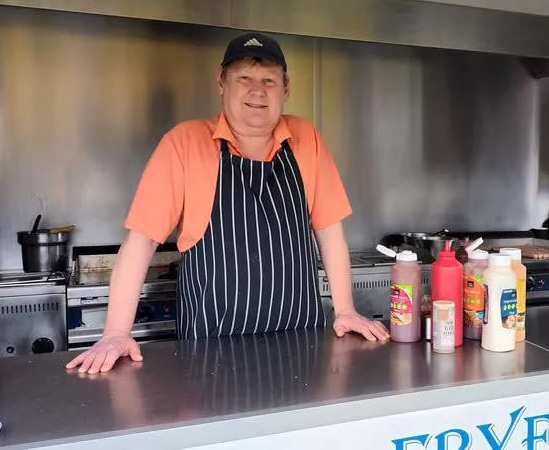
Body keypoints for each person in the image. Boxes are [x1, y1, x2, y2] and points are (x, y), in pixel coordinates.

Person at [67, 32, 389, 374]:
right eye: (244, 78)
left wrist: (345, 310)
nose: (257, 90)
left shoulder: (305, 138)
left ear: (286, 88)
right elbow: (140, 242)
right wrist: (116, 333)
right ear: (222, 83)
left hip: (300, 348)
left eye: (269, 80)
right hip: (210, 350)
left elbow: (329, 231)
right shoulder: (185, 142)